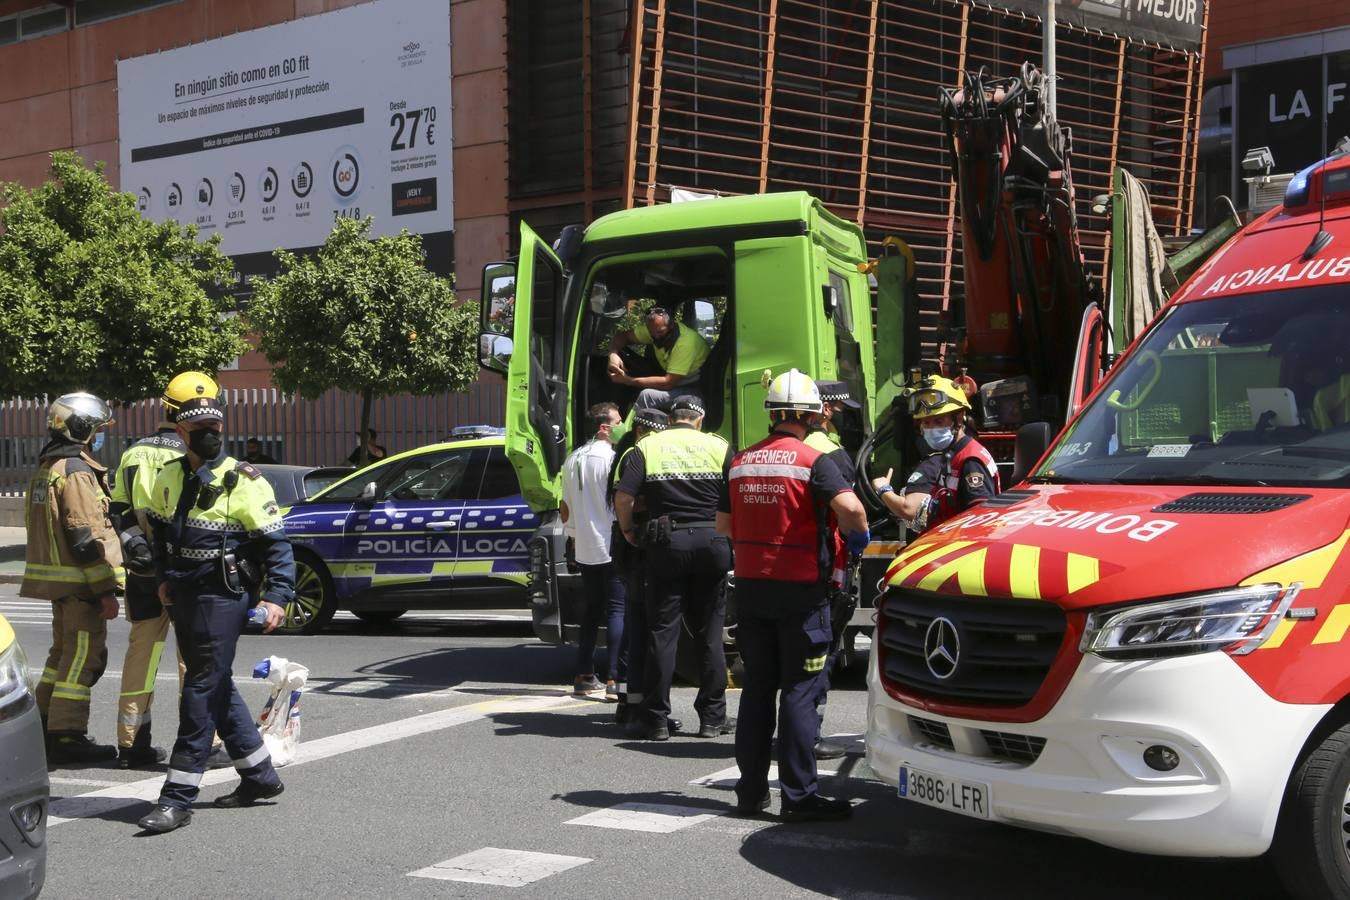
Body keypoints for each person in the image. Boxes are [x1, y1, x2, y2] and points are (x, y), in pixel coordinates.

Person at [136, 396, 295, 834]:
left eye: (216, 425)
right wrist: (164, 577)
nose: (212, 434)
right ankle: (260, 777)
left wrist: (277, 597)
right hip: (184, 593)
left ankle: (177, 797)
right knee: (218, 684)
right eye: (201, 427)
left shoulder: (243, 479)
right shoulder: (167, 474)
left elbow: (276, 546)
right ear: (181, 433)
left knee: (200, 689)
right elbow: (163, 535)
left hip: (223, 595)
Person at [718, 369, 869, 821]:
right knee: (801, 692)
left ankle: (749, 795)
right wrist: (855, 538)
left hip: (750, 589)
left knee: (757, 691)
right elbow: (853, 511)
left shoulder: (741, 461)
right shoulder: (812, 461)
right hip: (800, 593)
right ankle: (799, 799)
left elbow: (723, 527)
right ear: (811, 414)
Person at [108, 371, 223, 769]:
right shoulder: (200, 456)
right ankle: (201, 744)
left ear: (165, 407)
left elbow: (118, 511)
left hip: (143, 571)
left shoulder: (134, 453)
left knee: (141, 653)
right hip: (187, 570)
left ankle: (132, 743)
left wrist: (136, 547)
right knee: (195, 659)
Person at [614, 396, 732, 741]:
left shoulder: (647, 447)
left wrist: (627, 530)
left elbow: (624, 497)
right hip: (713, 542)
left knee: (663, 632)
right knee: (710, 632)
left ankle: (656, 720)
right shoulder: (718, 446)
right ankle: (712, 719)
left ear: (670, 418)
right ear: (700, 418)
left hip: (667, 544)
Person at [20, 392, 123, 764]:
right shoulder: (76, 471)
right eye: (96, 429)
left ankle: (44, 725)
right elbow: (84, 538)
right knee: (82, 659)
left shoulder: (48, 467)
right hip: (81, 586)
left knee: (60, 657)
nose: (99, 436)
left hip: (60, 586)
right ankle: (67, 736)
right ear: (82, 429)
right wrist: (105, 590)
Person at [805, 380, 861, 762]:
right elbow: (849, 512)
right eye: (838, 413)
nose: (839, 421)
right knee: (819, 650)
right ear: (824, 410)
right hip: (826, 563)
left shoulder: (777, 449)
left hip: (786, 566)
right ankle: (810, 734)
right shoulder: (830, 454)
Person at [872, 374, 1000, 533]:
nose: (931, 428)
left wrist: (884, 490)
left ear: (959, 417)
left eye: (939, 421)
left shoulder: (970, 460)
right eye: (926, 422)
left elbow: (979, 521)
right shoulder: (951, 454)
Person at [607, 407, 668, 721]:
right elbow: (627, 498)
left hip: (630, 547)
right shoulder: (635, 454)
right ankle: (635, 707)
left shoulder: (627, 452)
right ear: (645, 431)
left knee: (637, 626)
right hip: (635, 546)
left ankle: (628, 704)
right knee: (640, 628)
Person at [560, 402, 623, 698]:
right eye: (618, 421)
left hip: (584, 545)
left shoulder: (572, 459)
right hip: (611, 543)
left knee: (592, 609)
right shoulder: (613, 458)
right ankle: (615, 679)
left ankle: (584, 673)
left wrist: (573, 538)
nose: (622, 425)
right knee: (617, 609)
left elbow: (565, 509)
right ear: (604, 427)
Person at [607, 306, 710, 413]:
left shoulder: (685, 343)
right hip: (671, 379)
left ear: (671, 325)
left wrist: (628, 380)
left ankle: (633, 428)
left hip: (692, 389)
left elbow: (668, 383)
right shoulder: (654, 329)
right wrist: (613, 353)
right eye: (652, 333)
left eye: (661, 332)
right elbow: (622, 337)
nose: (656, 336)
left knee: (647, 395)